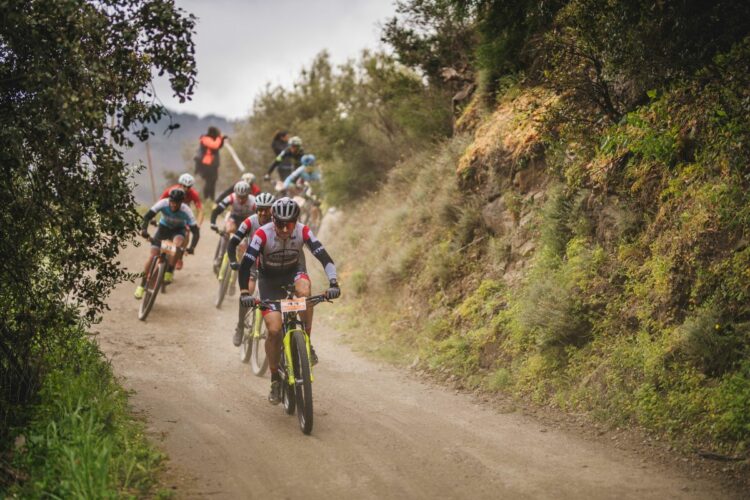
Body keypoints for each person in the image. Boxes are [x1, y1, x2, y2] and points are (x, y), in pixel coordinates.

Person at [236, 198, 340, 404]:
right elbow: (246, 264)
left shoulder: (303, 231)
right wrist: (244, 292)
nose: (285, 228)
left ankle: (307, 344)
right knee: (274, 330)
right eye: (280, 223)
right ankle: (275, 378)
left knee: (306, 291)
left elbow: (324, 257)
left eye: (289, 224)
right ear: (273, 220)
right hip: (269, 281)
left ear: (296, 221)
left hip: (294, 272)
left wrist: (333, 282)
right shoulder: (262, 234)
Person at [226, 192, 276, 346]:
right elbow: (233, 242)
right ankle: (240, 326)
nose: (263, 213)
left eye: (266, 210)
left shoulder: (277, 223)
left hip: (272, 264)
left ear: (272, 211)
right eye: (260, 209)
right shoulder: (249, 222)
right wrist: (234, 261)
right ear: (256, 209)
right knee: (247, 291)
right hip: (252, 262)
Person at [134, 189, 200, 299]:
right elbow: (147, 217)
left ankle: (169, 269)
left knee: (176, 246)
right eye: (172, 202)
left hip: (178, 231)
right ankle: (141, 285)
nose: (173, 205)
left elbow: (196, 232)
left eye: (177, 203)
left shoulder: (186, 210)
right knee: (152, 257)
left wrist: (192, 247)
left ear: (181, 203)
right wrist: (144, 230)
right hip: (163, 229)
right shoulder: (163, 203)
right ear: (169, 200)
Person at [160, 173, 204, 270]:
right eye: (184, 186)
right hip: (171, 214)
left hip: (184, 216)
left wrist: (198, 224)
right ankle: (166, 255)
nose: (186, 189)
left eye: (189, 187)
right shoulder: (172, 190)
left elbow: (200, 210)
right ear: (180, 184)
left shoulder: (193, 194)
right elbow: (160, 201)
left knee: (186, 233)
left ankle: (179, 257)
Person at [194, 126, 227, 201]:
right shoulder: (205, 138)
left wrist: (222, 139)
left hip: (213, 165)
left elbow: (219, 146)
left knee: (213, 181)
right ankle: (206, 199)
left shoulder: (213, 139)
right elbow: (214, 145)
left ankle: (212, 199)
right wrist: (219, 138)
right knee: (209, 181)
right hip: (206, 164)